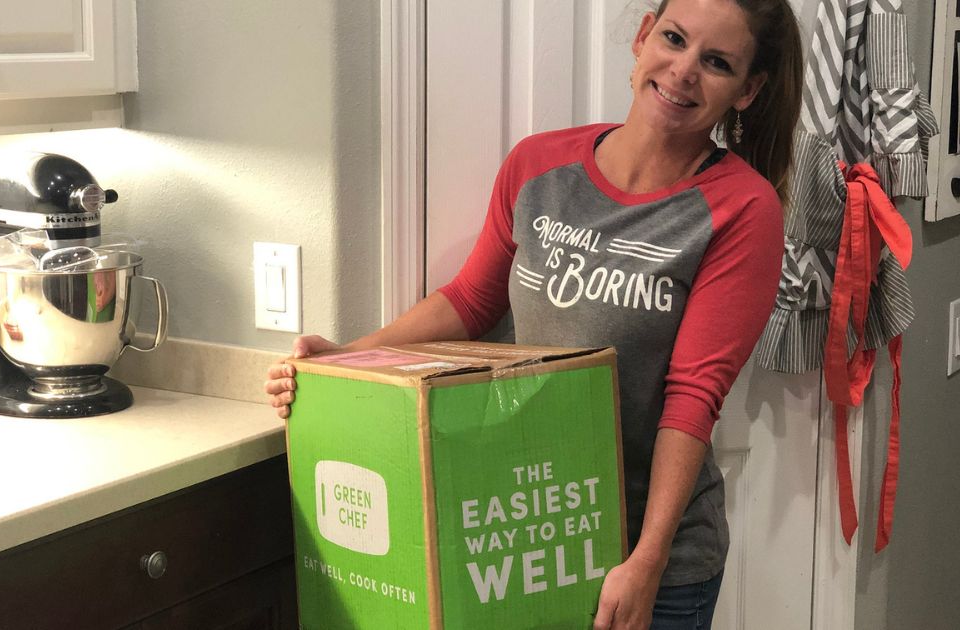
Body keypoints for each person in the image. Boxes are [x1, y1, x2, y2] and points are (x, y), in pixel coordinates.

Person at [265, 0, 802, 627]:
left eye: (716, 62)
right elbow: (470, 303)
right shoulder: (539, 166)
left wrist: (647, 560)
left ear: (748, 90)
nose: (683, 70)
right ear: (641, 37)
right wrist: (348, 355)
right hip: (527, 535)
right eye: (674, 39)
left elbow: (693, 395)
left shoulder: (742, 208)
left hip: (651, 557)